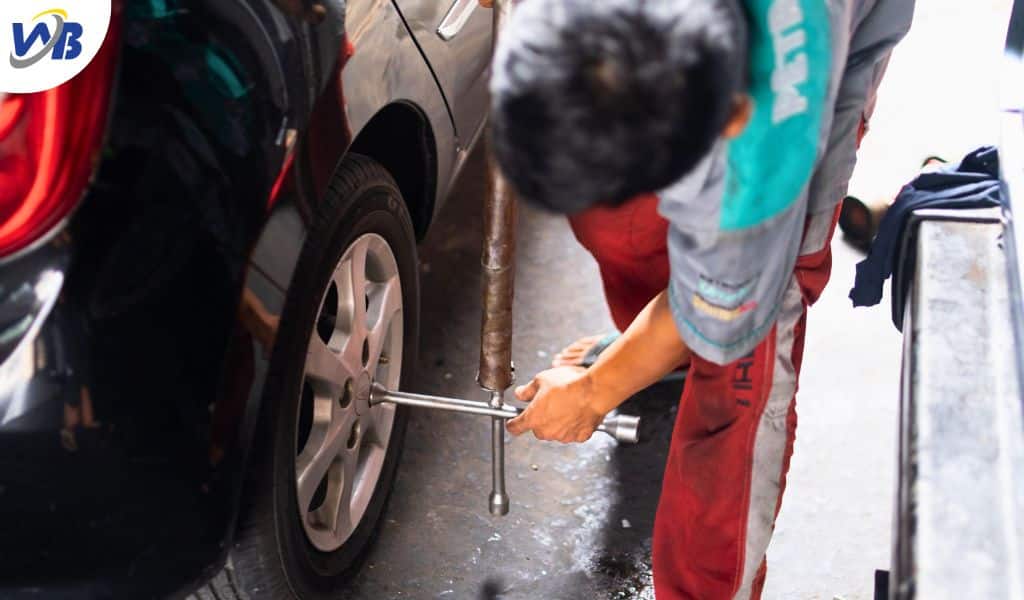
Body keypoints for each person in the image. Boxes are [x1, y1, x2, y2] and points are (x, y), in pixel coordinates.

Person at [489, 0, 914, 597]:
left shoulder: (760, 157)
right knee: (619, 220)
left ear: (730, 117)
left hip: (807, 69)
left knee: (742, 360)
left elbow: (733, 267)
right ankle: (670, 343)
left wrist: (593, 392)